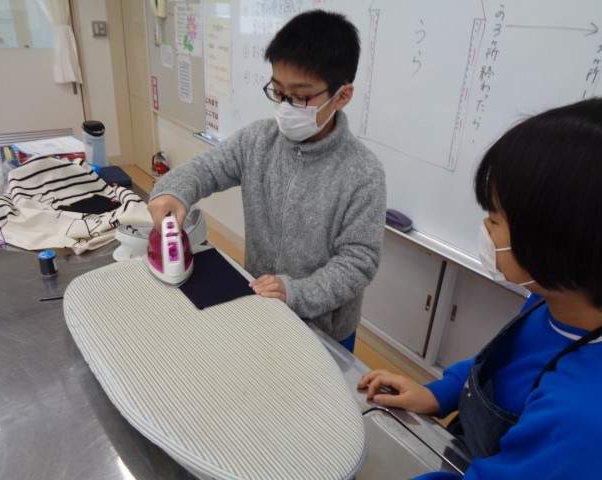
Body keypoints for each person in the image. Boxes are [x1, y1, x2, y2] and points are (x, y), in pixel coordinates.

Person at [358, 98, 602, 479]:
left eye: (495, 219)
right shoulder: (553, 299)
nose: (486, 229)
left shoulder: (579, 417)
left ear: (559, 240)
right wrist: (439, 393)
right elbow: (499, 365)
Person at [148, 10, 386, 351]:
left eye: (300, 96)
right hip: (260, 304)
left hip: (325, 331)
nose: (286, 106)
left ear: (342, 95)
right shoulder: (259, 140)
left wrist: (296, 292)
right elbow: (206, 169)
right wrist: (174, 192)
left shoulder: (363, 173)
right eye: (278, 91)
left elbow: (358, 262)